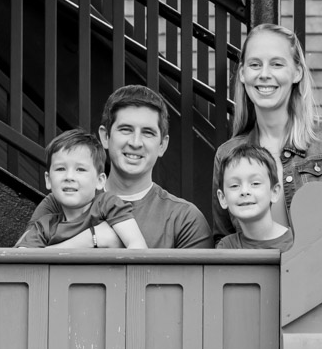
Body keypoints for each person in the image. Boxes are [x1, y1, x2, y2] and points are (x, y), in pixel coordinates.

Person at [211, 23, 322, 244]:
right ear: (243, 74)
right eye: (255, 64)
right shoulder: (227, 154)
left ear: (297, 73)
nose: (264, 74)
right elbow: (224, 241)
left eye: (276, 64)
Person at [25, 84, 212, 249]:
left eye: (147, 133)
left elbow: (192, 287)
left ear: (162, 145)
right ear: (105, 137)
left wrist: (93, 239)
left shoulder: (184, 219)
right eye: (125, 129)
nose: (136, 142)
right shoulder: (60, 201)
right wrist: (92, 238)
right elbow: (25, 269)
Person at [15, 129, 147, 249]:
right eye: (61, 169)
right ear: (48, 180)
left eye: (80, 169)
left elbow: (137, 246)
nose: (69, 177)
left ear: (100, 181)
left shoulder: (107, 204)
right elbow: (21, 262)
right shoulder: (44, 226)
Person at [214, 143, 292, 252]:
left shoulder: (296, 243)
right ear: (222, 198)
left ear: (274, 192)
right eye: (234, 185)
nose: (244, 191)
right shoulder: (227, 247)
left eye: (255, 183)